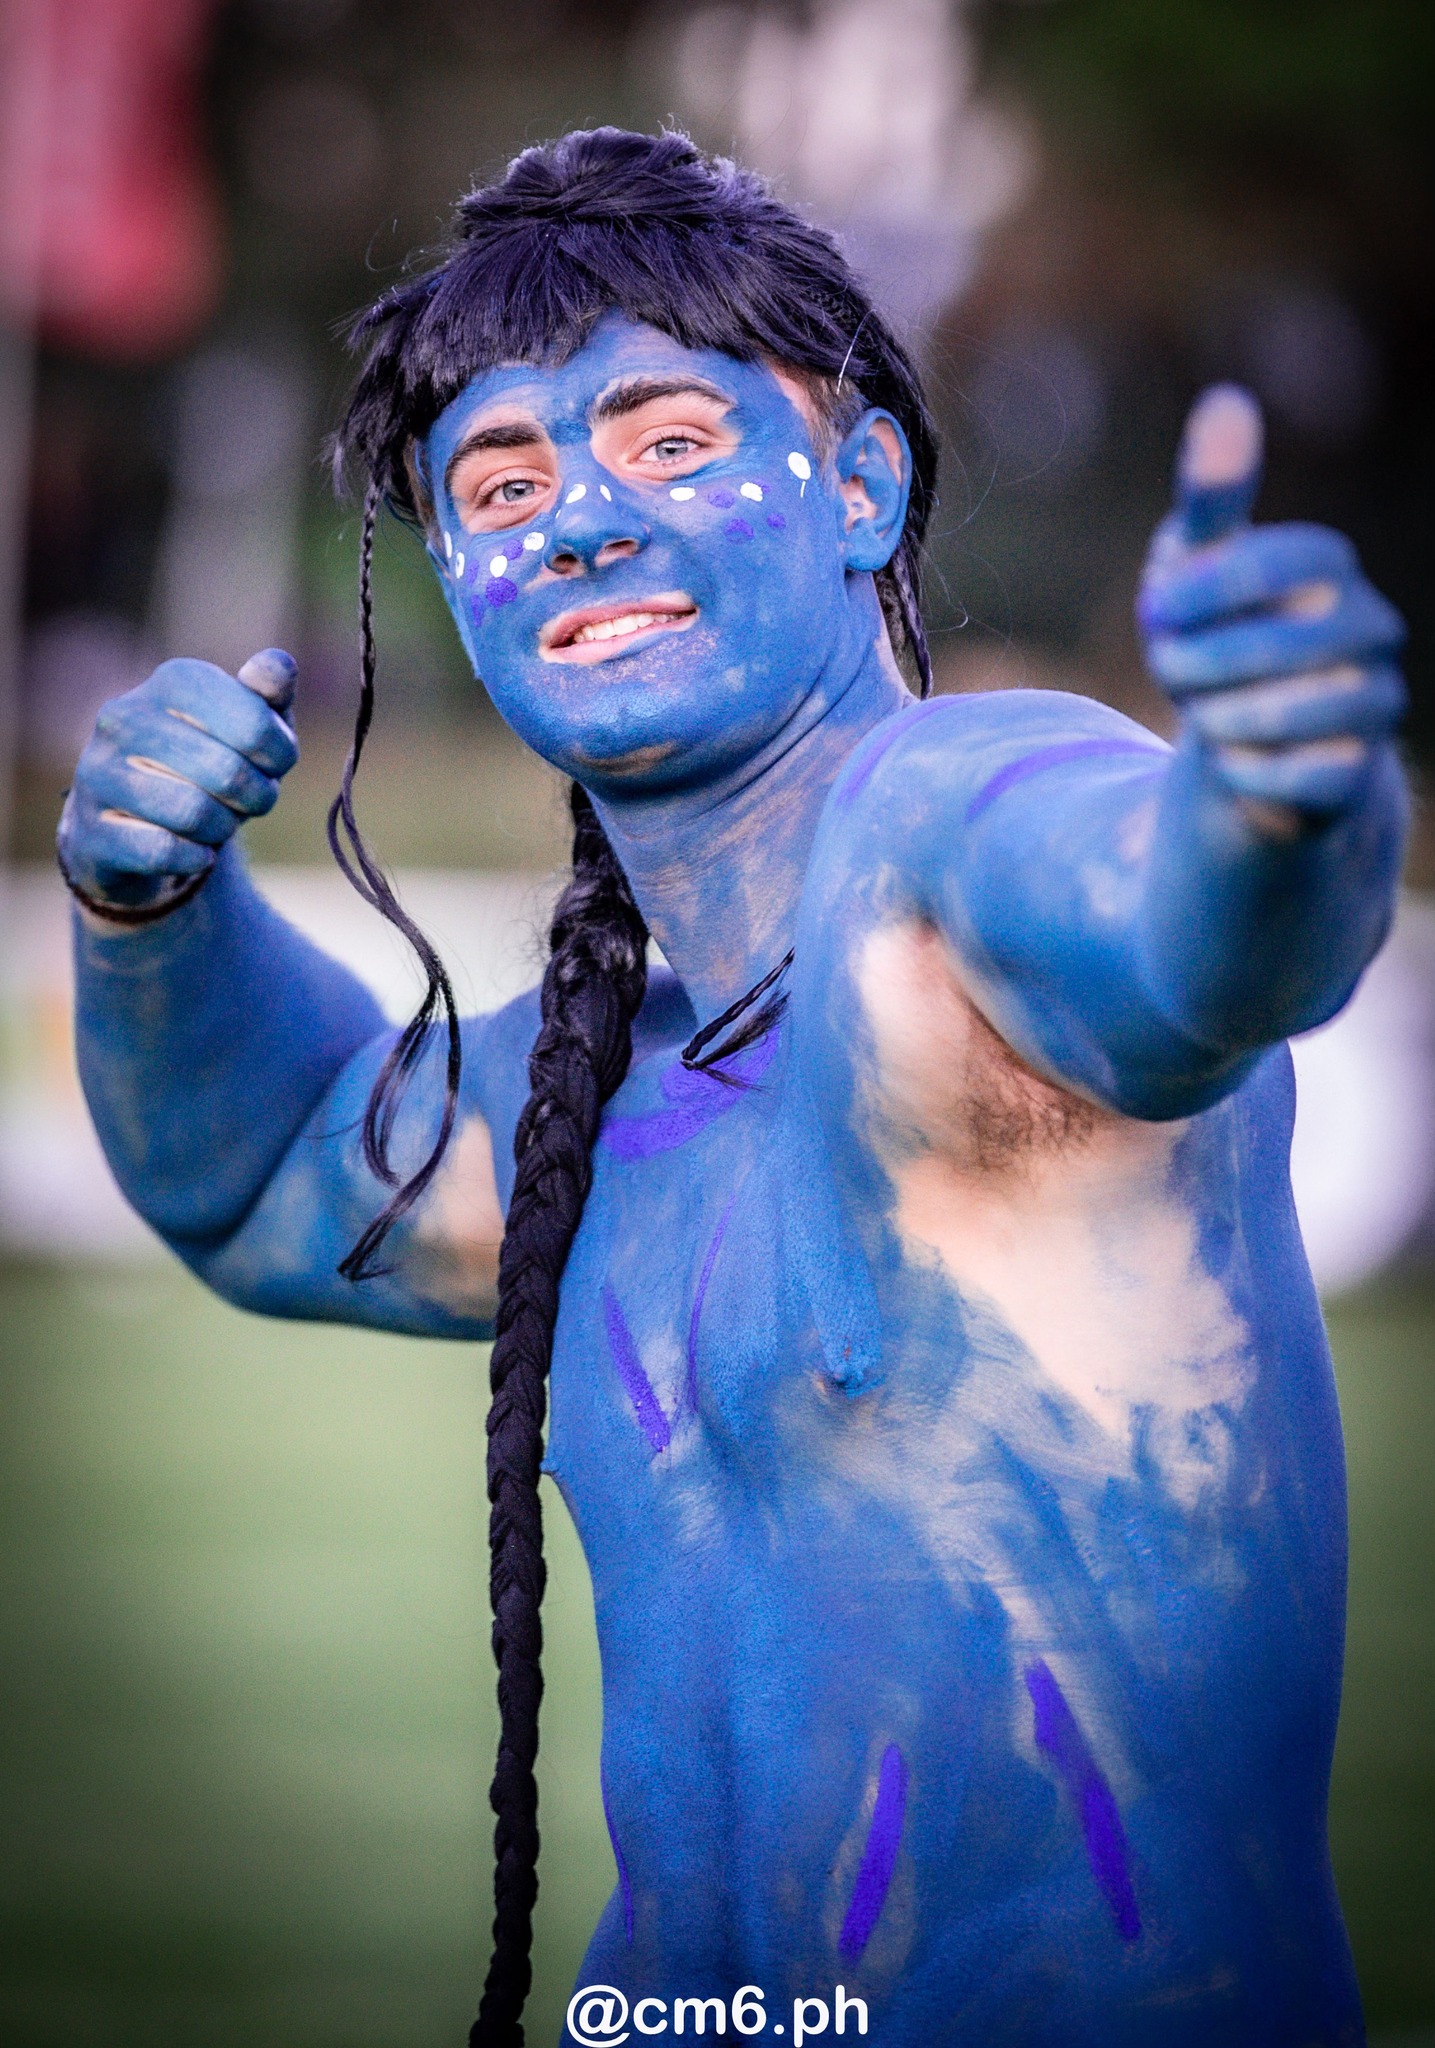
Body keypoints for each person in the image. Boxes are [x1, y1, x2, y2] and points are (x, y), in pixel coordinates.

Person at [58, 129, 1407, 2047]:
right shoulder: (593, 1083)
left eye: (672, 440)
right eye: (501, 483)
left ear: (861, 488)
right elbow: (260, 1179)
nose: (579, 522)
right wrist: (151, 909)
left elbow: (1192, 940)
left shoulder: (952, 846)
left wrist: (1280, 803)